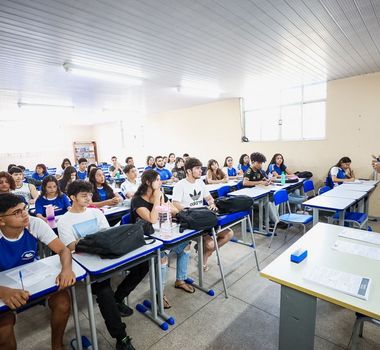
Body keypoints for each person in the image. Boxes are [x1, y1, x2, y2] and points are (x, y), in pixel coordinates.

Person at [57, 181, 142, 350]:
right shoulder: (64, 221)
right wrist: (98, 242)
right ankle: (121, 337)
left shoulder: (95, 213)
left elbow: (107, 233)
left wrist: (97, 242)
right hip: (87, 263)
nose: (89, 198)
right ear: (72, 197)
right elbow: (72, 246)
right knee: (103, 291)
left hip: (106, 253)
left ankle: (119, 298)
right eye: (84, 196)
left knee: (142, 265)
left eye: (90, 195)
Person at [0, 193, 76, 350]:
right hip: (3, 286)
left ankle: (57, 346)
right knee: (4, 329)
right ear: (1, 220)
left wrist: (66, 270)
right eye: (16, 212)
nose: (24, 214)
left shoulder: (33, 224)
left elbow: (63, 250)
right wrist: (2, 291)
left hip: (31, 277)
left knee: (62, 302)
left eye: (24, 208)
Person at [131, 170, 194, 308]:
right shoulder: (137, 200)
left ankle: (180, 280)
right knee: (162, 256)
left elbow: (173, 209)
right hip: (146, 241)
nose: (161, 182)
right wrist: (157, 200)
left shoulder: (160, 194)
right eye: (157, 179)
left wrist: (175, 209)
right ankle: (159, 294)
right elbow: (152, 218)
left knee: (185, 244)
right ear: (148, 182)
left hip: (162, 234)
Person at [172, 158, 233, 271]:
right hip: (191, 219)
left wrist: (212, 204)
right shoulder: (180, 185)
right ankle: (204, 257)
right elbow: (175, 203)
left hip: (203, 216)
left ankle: (203, 254)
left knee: (229, 234)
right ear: (189, 171)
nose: (201, 171)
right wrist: (189, 210)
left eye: (201, 168)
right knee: (210, 244)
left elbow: (209, 198)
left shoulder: (200, 182)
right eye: (198, 168)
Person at [243, 152, 281, 225]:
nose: (260, 165)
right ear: (253, 162)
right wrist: (260, 182)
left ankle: (273, 221)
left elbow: (263, 179)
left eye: (261, 163)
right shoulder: (249, 171)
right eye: (259, 163)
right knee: (268, 202)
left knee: (272, 200)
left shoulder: (258, 170)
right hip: (251, 196)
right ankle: (276, 222)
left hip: (259, 192)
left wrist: (268, 181)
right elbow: (245, 183)